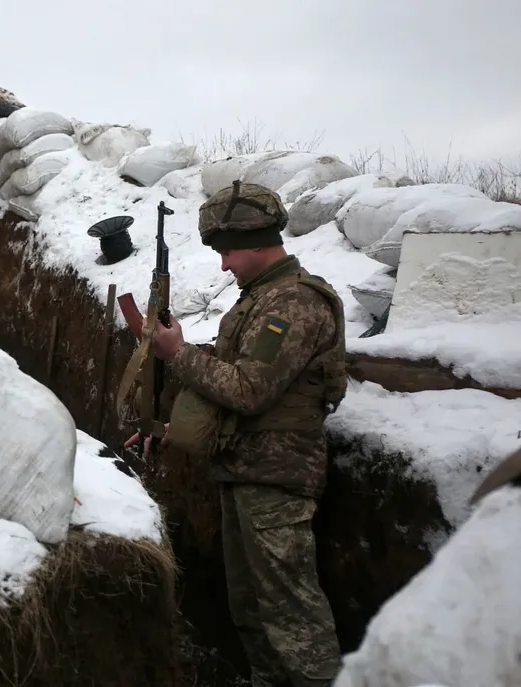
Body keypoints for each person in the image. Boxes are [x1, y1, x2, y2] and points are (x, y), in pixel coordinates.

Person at [125, 180, 347, 687]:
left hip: (275, 479)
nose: (223, 265)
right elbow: (236, 379)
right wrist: (171, 423)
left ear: (256, 242)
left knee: (293, 618)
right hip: (244, 469)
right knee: (250, 609)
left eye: (226, 252)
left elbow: (248, 389)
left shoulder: (292, 304)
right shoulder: (262, 298)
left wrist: (178, 354)